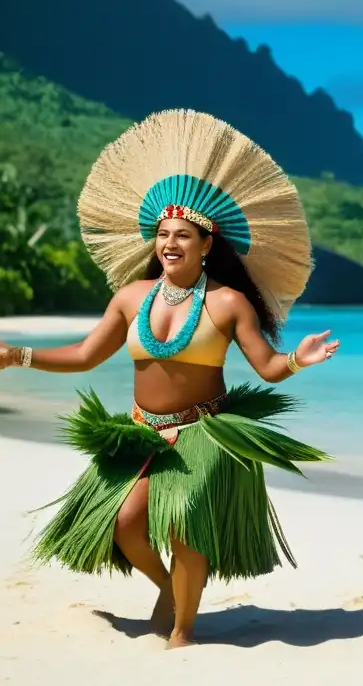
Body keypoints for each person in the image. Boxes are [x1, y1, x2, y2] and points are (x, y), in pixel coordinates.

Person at [0, 109, 338, 650]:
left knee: (183, 524)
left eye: (183, 235)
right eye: (163, 234)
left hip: (206, 434)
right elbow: (87, 354)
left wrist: (298, 358)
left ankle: (182, 632)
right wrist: (18, 356)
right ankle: (168, 591)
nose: (170, 243)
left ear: (207, 244)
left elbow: (268, 368)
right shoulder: (132, 296)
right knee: (126, 524)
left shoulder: (228, 304)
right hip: (141, 430)